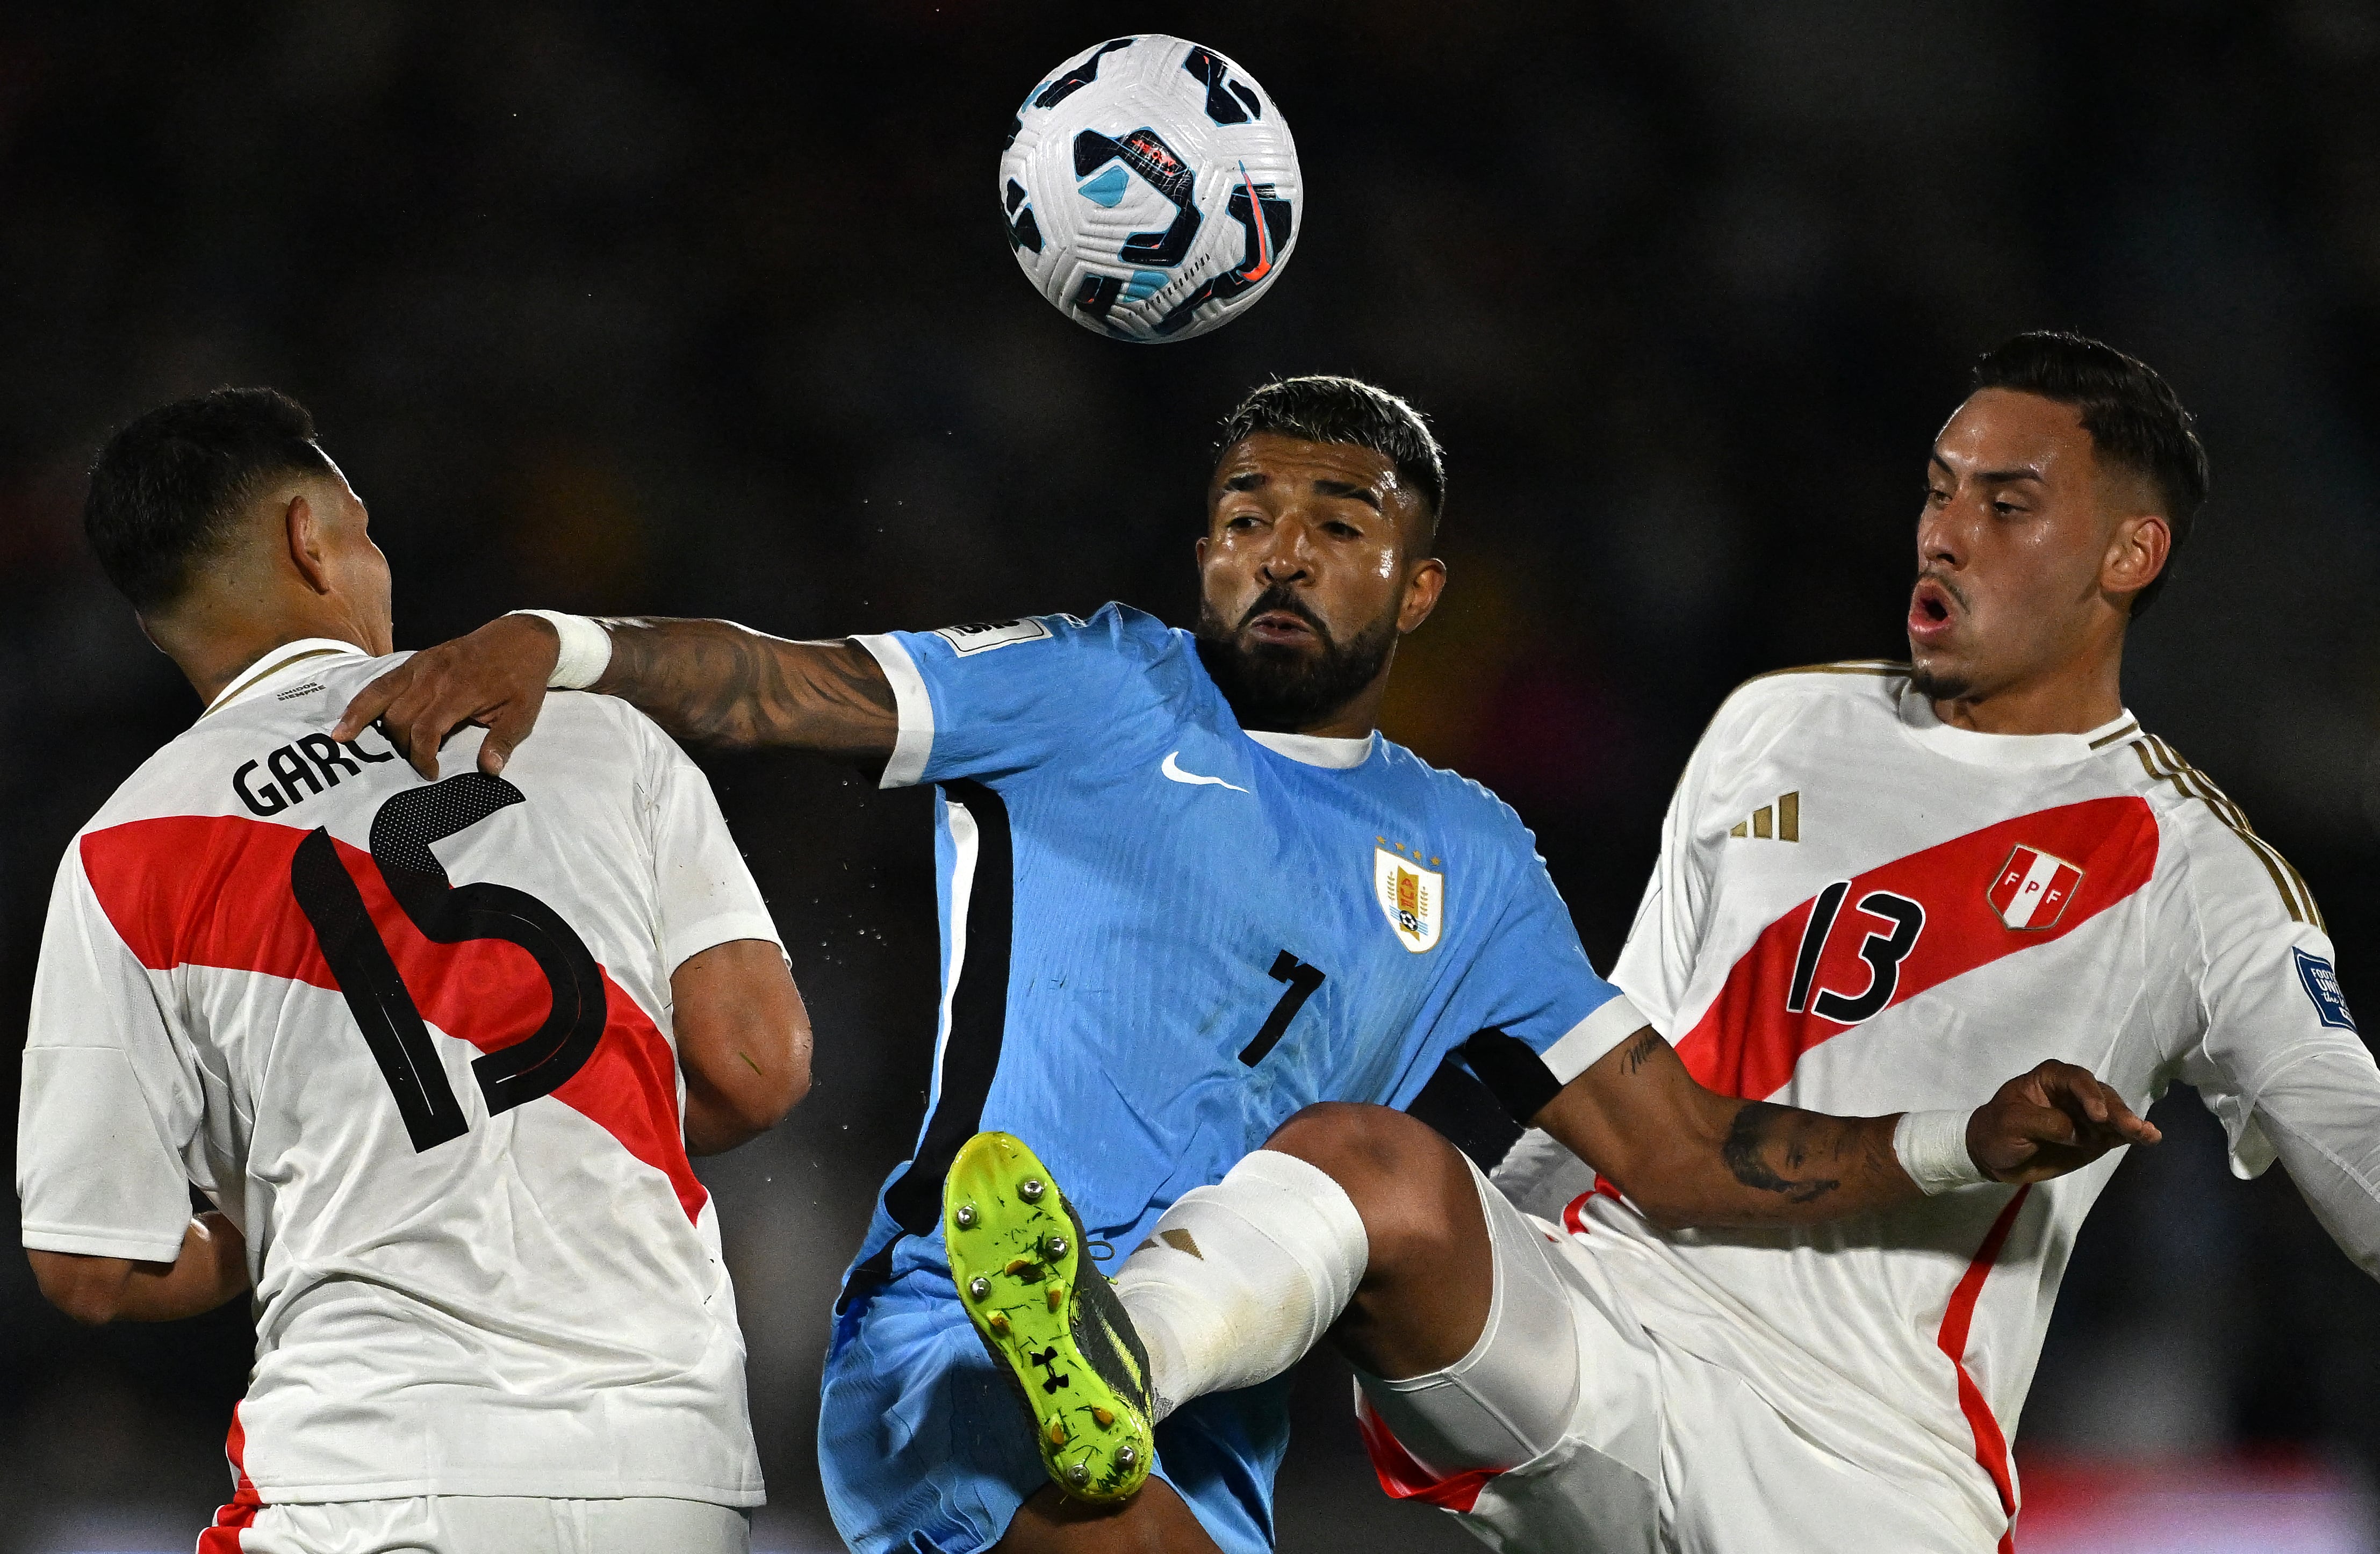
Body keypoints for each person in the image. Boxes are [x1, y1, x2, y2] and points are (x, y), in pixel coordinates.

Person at [333, 375, 2145, 1554]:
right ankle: (1088, 1350)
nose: (1282, 553)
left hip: (1212, 1447)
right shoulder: (1090, 687)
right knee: (1196, 1341)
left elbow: (1680, 1147)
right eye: (1247, 518)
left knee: (1308, 1282)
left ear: (1419, 591)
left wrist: (1955, 1145)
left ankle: (1133, 1364)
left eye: (1339, 526)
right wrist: (557, 644)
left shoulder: (1472, 859)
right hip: (966, 1352)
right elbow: (784, 677)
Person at [1052, 333, 2372, 1552]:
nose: (1942, 536)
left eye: (2003, 505)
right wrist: (1455, 1246)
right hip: (1604, 1332)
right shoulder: (1773, 729)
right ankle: (1102, 1364)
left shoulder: (2200, 878)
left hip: (1867, 1472)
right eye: (1937, 490)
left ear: (2127, 556)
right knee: (1364, 1164)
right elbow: (1634, 1039)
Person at [17, 388, 809, 1554]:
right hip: (664, 1468)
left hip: (370, 1476)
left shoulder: (123, 850)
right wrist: (554, 1118)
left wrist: (277, 1207)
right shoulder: (594, 734)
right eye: (367, 527)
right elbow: (755, 1070)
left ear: (151, 621)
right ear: (309, 537)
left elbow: (89, 1264)